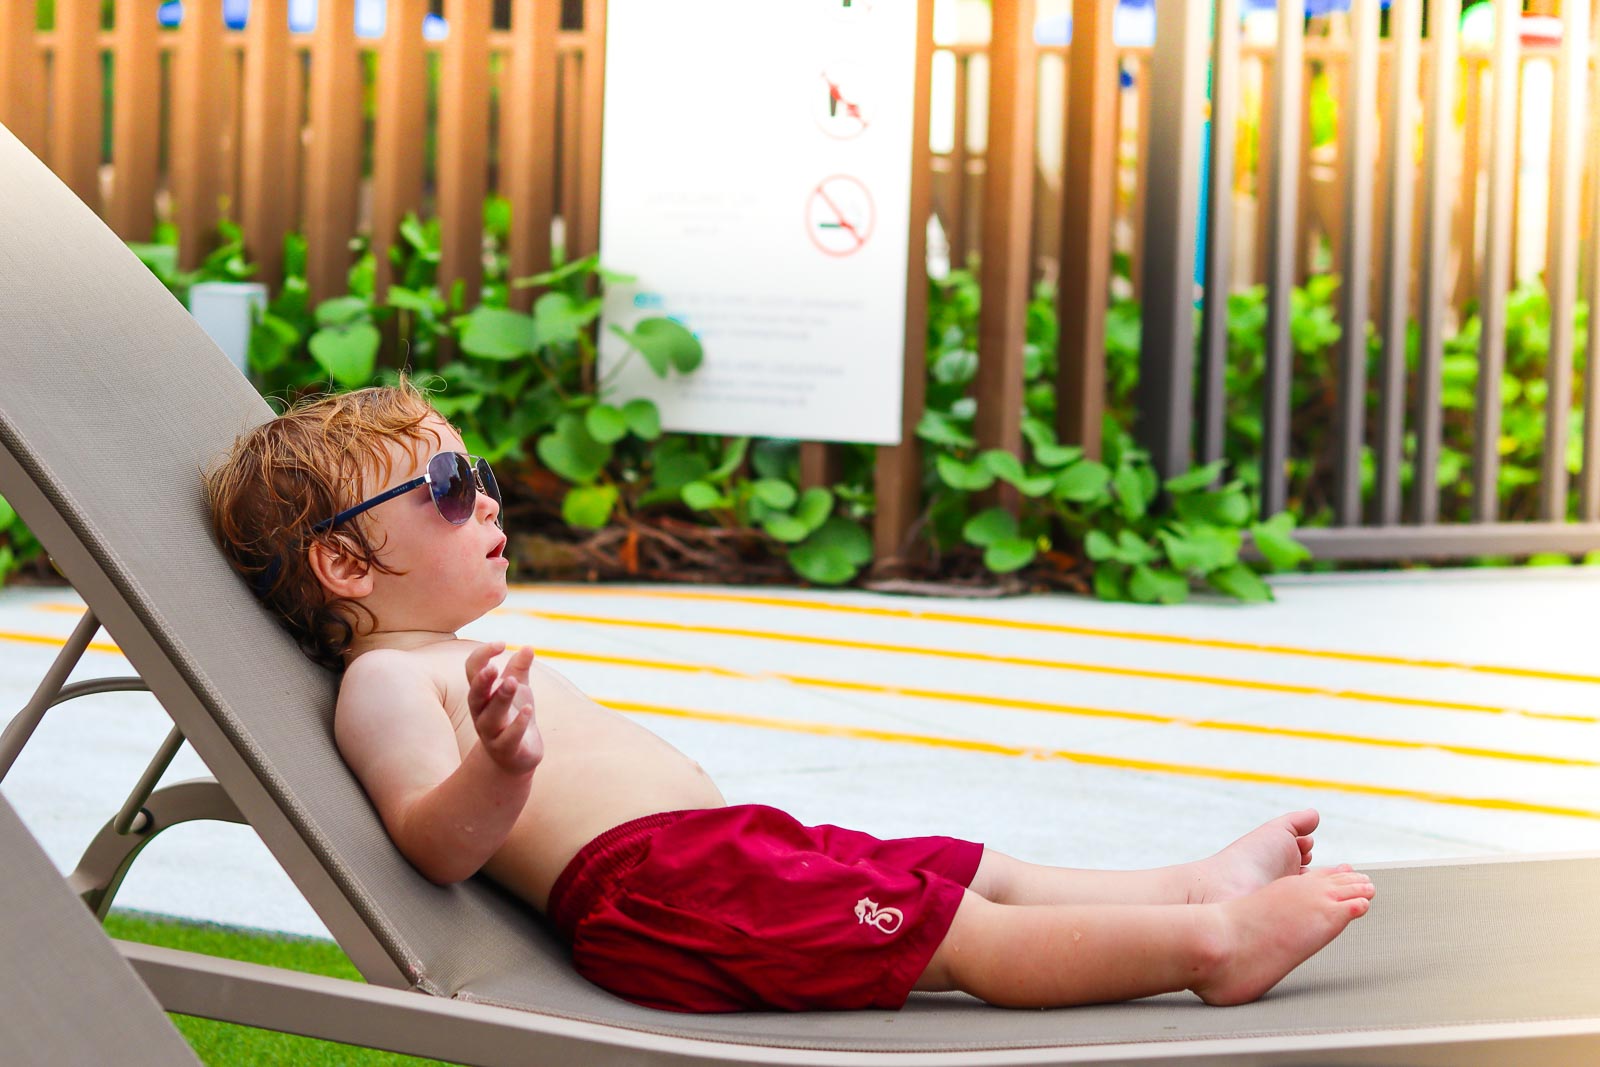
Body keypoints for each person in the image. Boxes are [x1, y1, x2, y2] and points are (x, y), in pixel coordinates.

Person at [203, 381, 1375, 1014]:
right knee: (962, 936)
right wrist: (498, 766)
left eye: (482, 475)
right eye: (450, 486)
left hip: (721, 855)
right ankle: (1209, 944)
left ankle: (1190, 882)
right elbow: (432, 837)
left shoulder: (448, 651)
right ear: (346, 565)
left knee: (961, 869)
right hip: (667, 894)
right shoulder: (384, 681)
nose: (490, 499)